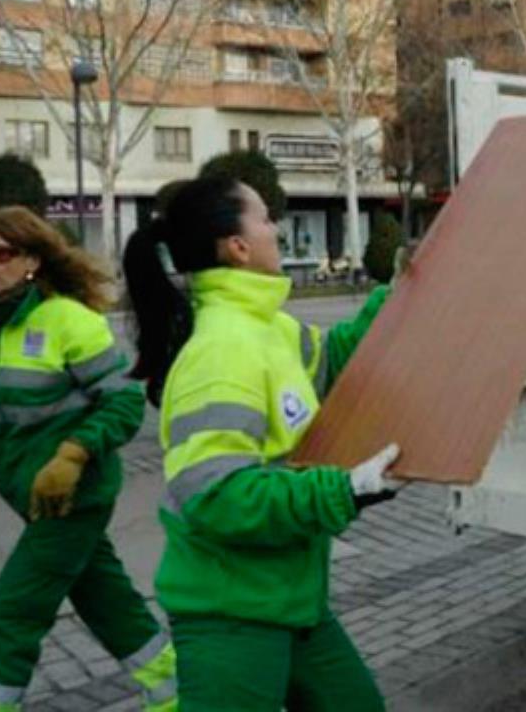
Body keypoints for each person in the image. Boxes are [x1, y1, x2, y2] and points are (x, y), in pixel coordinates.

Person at [122, 175, 400, 711]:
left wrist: (397, 296)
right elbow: (216, 498)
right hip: (231, 615)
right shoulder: (220, 351)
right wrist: (344, 490)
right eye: (265, 217)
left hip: (291, 601)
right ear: (238, 246)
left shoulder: (269, 328)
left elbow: (332, 360)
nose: (277, 227)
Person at [0, 207, 177, 712]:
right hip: (27, 493)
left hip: (76, 496)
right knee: (106, 600)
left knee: (13, 612)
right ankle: (175, 689)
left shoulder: (70, 320)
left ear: (31, 260)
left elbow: (124, 399)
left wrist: (72, 454)